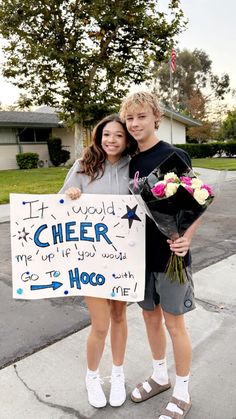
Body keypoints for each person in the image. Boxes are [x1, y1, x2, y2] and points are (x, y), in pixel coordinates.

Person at [120, 92, 201, 419]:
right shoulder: (129, 161)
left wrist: (185, 238)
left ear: (156, 117)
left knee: (174, 323)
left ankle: (182, 390)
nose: (135, 123)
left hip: (170, 256)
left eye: (141, 116)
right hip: (139, 256)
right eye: (130, 118)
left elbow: (198, 200)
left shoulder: (173, 155)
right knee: (149, 318)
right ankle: (159, 375)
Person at [59, 114, 137, 409]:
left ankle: (117, 373)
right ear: (98, 137)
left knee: (119, 317)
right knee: (101, 324)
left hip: (124, 258)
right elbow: (59, 204)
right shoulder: (83, 166)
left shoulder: (135, 168)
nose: (112, 140)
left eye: (118, 135)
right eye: (107, 135)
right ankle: (92, 376)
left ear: (126, 139)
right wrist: (71, 195)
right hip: (91, 260)